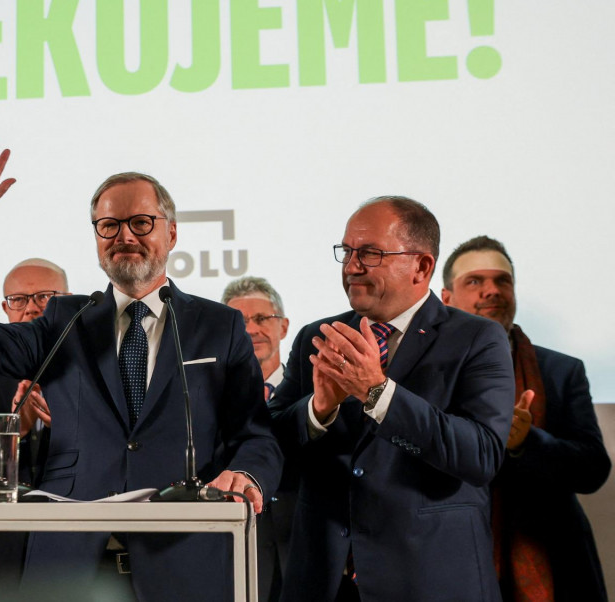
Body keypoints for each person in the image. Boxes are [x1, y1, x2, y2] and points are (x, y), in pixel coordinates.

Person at [0, 140, 281, 602]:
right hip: (70, 554)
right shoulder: (64, 319)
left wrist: (247, 476)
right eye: (109, 225)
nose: (125, 236)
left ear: (171, 234)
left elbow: (255, 434)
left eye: (141, 223)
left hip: (185, 553)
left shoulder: (219, 326)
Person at [269, 196, 515, 602]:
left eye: (369, 253)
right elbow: (271, 447)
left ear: (421, 266)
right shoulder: (319, 335)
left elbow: (481, 456)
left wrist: (378, 393)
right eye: (346, 252)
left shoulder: (478, 338)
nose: (351, 267)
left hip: (430, 581)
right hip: (323, 582)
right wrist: (318, 411)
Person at [441, 235, 610, 601]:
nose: (492, 291)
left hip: (553, 564)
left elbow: (593, 469)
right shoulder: (425, 371)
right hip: (453, 562)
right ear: (446, 299)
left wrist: (525, 443)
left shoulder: (562, 370)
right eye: (475, 281)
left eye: (503, 281)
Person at [222, 276, 294, 602]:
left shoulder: (317, 389)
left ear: (284, 326)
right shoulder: (204, 400)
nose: (251, 330)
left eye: (262, 319)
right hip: (234, 555)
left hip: (307, 550)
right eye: (239, 322)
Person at [0, 258, 69, 486]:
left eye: (45, 296)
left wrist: (65, 425)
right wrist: (14, 428)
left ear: (69, 302)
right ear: (6, 309)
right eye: (18, 299)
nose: (31, 308)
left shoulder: (96, 367)